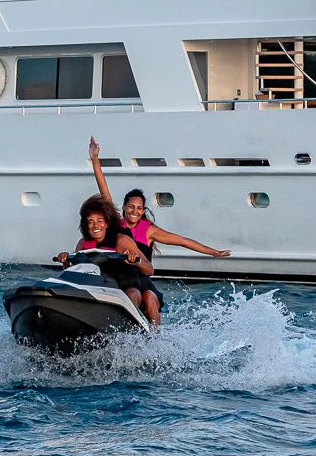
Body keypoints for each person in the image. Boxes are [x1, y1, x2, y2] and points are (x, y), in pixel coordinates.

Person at [88, 137, 231, 326]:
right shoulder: (116, 226)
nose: (134, 211)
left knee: (148, 297)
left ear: (143, 211)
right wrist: (95, 159)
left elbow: (182, 240)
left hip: (142, 279)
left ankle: (155, 342)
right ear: (123, 208)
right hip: (120, 279)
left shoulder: (149, 231)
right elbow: (104, 191)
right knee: (131, 294)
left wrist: (213, 252)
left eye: (139, 208)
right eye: (131, 207)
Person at [55, 195, 156, 324]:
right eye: (90, 221)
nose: (95, 225)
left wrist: (136, 261)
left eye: (99, 221)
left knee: (132, 294)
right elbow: (75, 273)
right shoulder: (83, 244)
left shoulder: (122, 241)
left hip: (126, 287)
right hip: (100, 288)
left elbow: (149, 270)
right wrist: (65, 262)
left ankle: (134, 331)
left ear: (107, 223)